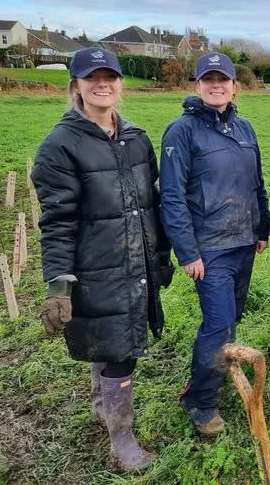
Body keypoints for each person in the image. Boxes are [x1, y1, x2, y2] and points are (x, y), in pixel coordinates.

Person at [32, 47, 174, 471]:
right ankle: (122, 441)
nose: (102, 84)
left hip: (137, 263)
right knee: (119, 350)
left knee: (112, 342)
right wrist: (59, 283)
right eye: (91, 77)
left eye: (109, 76)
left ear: (119, 83)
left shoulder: (136, 138)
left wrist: (160, 256)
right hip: (97, 267)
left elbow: (154, 204)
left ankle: (102, 407)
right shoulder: (60, 146)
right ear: (75, 85)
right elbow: (57, 221)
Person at [159, 52, 270, 435]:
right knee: (219, 323)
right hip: (210, 249)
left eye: (223, 78)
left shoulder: (246, 129)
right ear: (198, 85)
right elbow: (171, 196)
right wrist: (188, 251)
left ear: (235, 86)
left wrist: (261, 228)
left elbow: (256, 183)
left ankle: (220, 377)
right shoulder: (182, 131)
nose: (216, 85)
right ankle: (201, 400)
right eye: (208, 79)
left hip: (242, 243)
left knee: (231, 318)